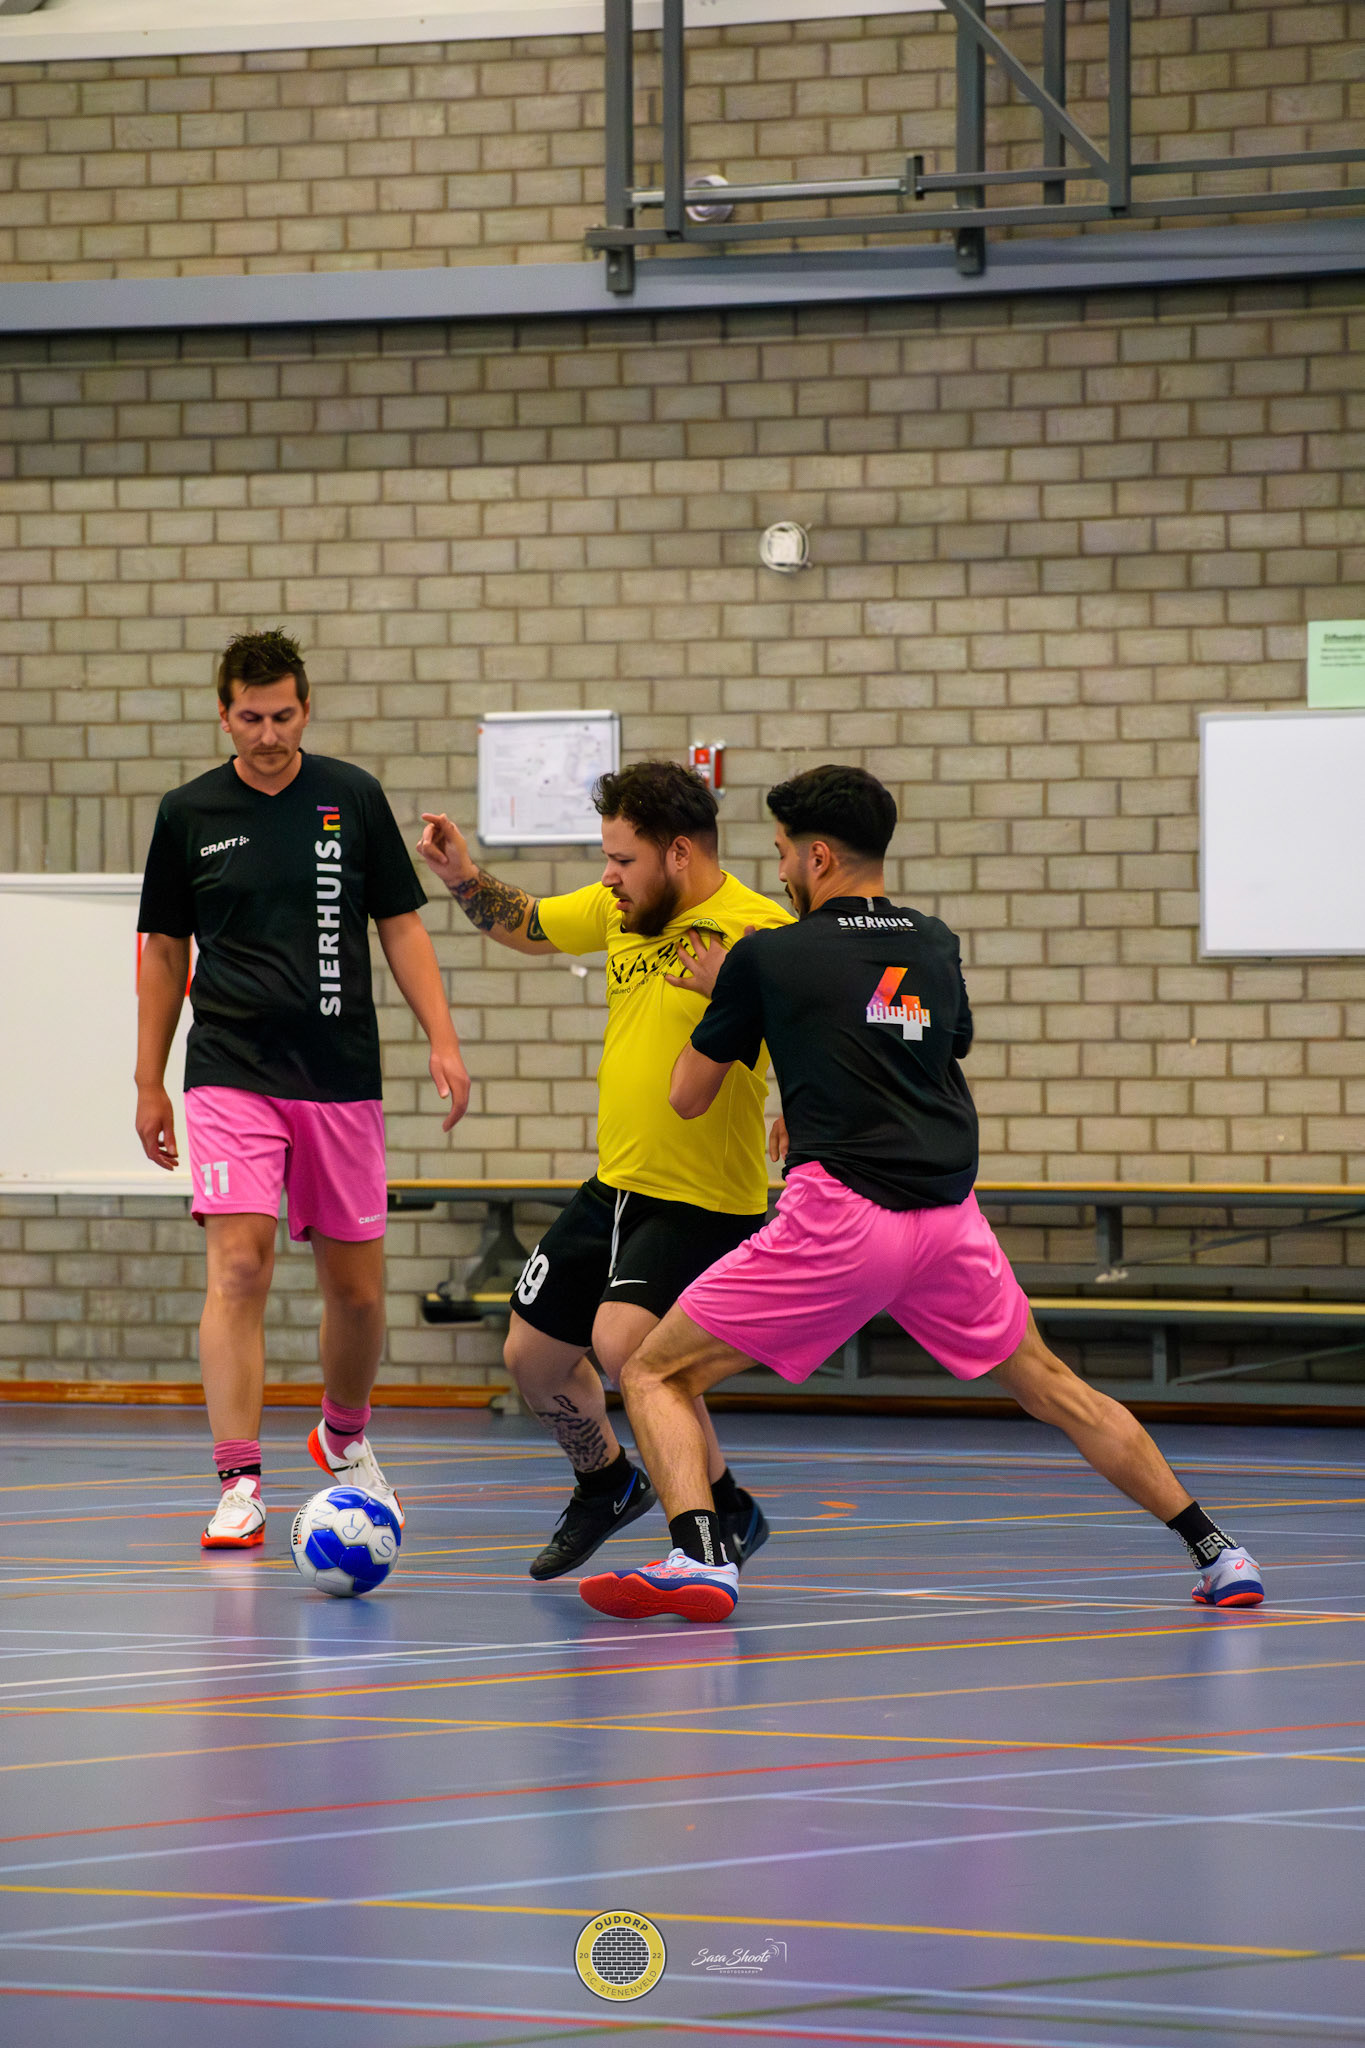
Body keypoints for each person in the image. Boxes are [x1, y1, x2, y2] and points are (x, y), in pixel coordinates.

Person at [579, 764, 1266, 1623]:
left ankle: (702, 1557)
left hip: (840, 1221)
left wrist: (725, 996)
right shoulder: (934, 943)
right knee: (1053, 1387)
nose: (780, 871)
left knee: (653, 1369)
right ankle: (1218, 1551)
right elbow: (918, 1044)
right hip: (948, 1224)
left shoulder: (767, 955)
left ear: (818, 857)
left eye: (784, 854)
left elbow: (687, 1096)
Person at [135, 628, 469, 1549]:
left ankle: (344, 1436)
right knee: (239, 1266)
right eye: (251, 718)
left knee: (356, 1292)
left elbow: (400, 926)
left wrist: (442, 1039)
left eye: (283, 716)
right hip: (230, 1070)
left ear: (306, 709)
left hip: (338, 1075)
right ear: (223, 715)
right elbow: (163, 952)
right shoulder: (188, 813)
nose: (269, 734)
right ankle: (238, 1479)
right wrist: (148, 1079)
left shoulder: (350, 797)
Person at [417, 761, 790, 1580]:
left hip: (702, 1198)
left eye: (623, 859)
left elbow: (816, 1029)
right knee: (531, 1357)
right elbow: (527, 923)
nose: (609, 876)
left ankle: (719, 1513)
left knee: (625, 1345)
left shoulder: (758, 932)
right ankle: (607, 1483)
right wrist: (463, 876)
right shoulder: (621, 911)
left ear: (679, 853)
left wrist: (796, 1101)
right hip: (616, 1185)